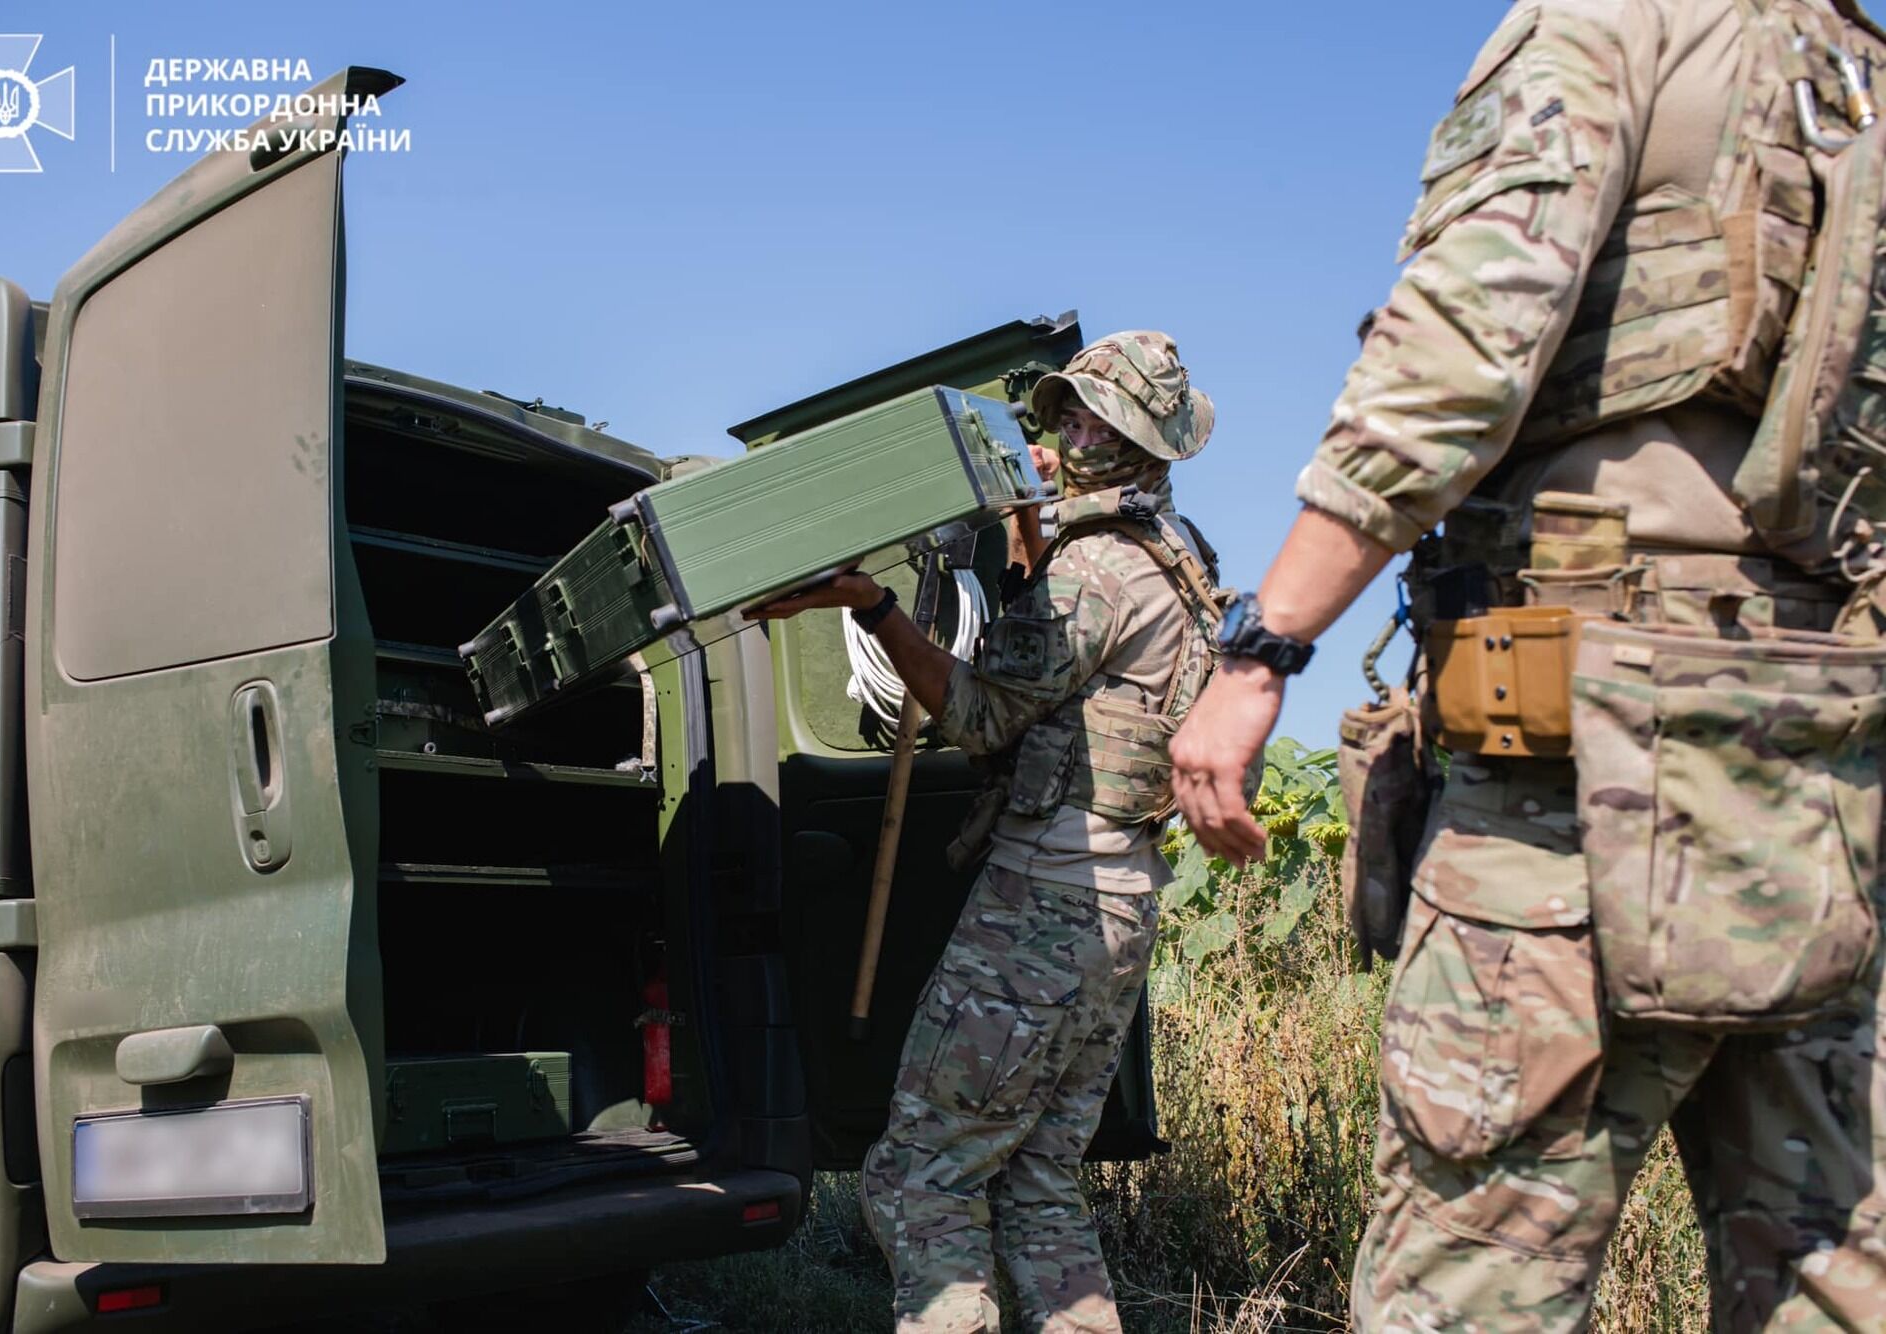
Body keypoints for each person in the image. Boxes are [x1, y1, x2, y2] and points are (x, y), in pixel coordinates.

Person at [1168, 1, 1886, 1329]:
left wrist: (1267, 645)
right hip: (1825, 782)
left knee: (1471, 1268)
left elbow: (1457, 353)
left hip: (1583, 780)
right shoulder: (1858, 78)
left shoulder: (1619, 22)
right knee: (1830, 1273)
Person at [749, 330, 1223, 1332]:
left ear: (1130, 441)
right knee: (1041, 1185)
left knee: (920, 1176)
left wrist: (873, 606)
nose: (1060, 435)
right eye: (1059, 414)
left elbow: (974, 715)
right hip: (1118, 903)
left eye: (1083, 419)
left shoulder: (1092, 572)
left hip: (1041, 909)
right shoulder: (1179, 562)